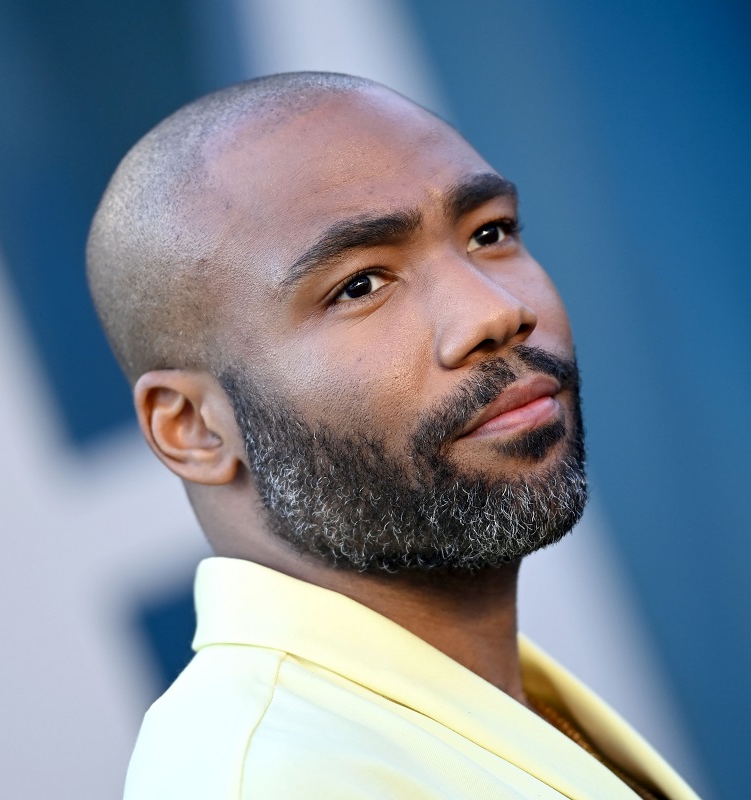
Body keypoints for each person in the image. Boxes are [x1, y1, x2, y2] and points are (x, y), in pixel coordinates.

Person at [87, 71, 700, 800]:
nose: (495, 313)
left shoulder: (470, 713)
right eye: (360, 285)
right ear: (194, 429)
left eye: (489, 233)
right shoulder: (282, 781)